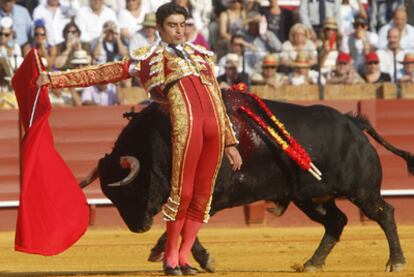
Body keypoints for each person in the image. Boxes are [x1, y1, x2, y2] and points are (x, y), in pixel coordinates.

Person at [36, 3, 242, 275]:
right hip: (187, 125)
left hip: (214, 126)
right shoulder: (146, 58)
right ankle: (170, 258)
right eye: (172, 25)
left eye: (183, 25)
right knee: (184, 192)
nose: (179, 31)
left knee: (203, 195)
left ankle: (183, 256)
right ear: (159, 28)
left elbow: (216, 97)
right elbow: (101, 73)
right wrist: (53, 79)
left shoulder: (201, 54)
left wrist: (229, 141)